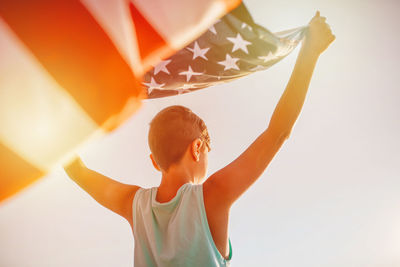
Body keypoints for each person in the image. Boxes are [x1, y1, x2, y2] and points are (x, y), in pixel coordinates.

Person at [63, 11, 335, 267]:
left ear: (154, 162)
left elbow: (79, 172)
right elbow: (278, 132)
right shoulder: (210, 197)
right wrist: (310, 53)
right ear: (197, 148)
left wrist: (63, 103)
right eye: (208, 150)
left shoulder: (134, 205)